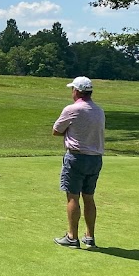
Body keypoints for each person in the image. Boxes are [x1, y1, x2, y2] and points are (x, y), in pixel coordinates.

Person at [52, 76, 105, 249]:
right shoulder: (99, 110)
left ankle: (72, 237)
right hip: (95, 158)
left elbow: (56, 130)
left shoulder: (72, 109)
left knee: (72, 197)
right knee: (89, 197)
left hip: (76, 157)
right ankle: (89, 236)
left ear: (77, 91)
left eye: (72, 89)